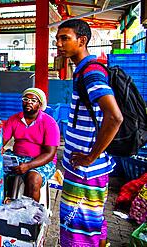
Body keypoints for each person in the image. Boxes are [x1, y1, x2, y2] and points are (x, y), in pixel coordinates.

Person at [56, 19, 123, 247]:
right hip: (83, 166)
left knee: (79, 228)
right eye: (58, 39)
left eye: (65, 38)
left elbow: (114, 117)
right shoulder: (82, 71)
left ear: (82, 40)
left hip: (86, 169)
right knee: (93, 222)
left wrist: (90, 157)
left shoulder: (91, 72)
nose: (59, 44)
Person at [3, 88, 60, 202]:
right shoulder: (14, 119)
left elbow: (50, 153)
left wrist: (28, 165)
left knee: (33, 179)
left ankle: (30, 214)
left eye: (33, 100)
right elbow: (1, 141)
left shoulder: (49, 123)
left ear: (40, 104)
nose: (29, 102)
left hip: (41, 160)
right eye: (26, 99)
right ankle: (3, 206)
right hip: (18, 157)